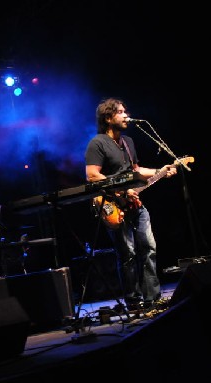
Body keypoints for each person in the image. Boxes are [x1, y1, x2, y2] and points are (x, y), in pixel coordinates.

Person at [85, 97, 177, 311]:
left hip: (135, 203)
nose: (126, 115)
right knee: (128, 255)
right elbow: (92, 175)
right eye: (121, 112)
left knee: (149, 248)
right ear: (108, 118)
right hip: (113, 204)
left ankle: (152, 299)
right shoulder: (97, 143)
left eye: (126, 111)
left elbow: (135, 171)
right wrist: (120, 189)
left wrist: (160, 171)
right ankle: (134, 301)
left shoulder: (128, 142)